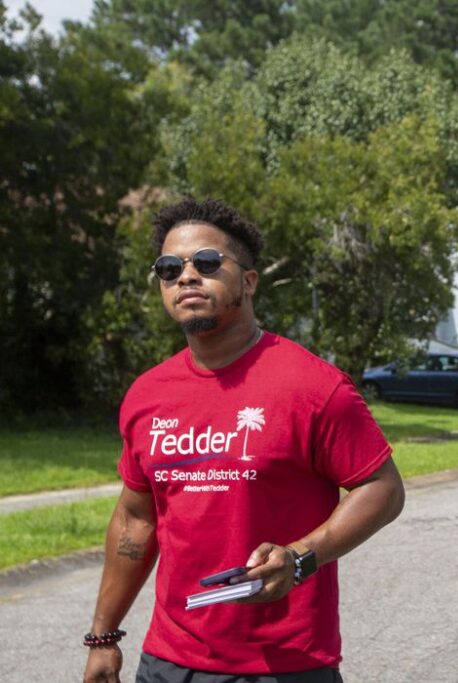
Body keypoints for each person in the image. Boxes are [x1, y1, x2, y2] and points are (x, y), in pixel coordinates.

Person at [83, 198, 405, 683]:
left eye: (207, 263)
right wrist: (103, 636)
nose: (186, 276)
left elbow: (383, 488)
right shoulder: (147, 395)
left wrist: (301, 557)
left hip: (283, 665)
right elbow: (135, 519)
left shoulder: (314, 388)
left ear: (249, 280)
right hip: (168, 662)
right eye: (169, 269)